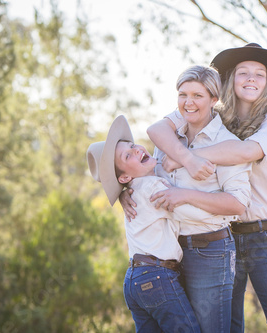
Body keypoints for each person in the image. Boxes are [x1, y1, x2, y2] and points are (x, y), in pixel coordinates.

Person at [145, 43, 267, 332]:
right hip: (221, 239)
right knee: (229, 326)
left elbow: (243, 153)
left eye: (259, 74)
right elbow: (157, 130)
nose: (251, 78)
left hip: (265, 236)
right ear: (230, 80)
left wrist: (185, 159)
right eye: (243, 72)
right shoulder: (211, 112)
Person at [121, 65, 253, 332]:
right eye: (183, 95)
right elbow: (146, 175)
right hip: (170, 257)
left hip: (210, 252)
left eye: (197, 96)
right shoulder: (169, 139)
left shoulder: (226, 144)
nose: (188, 103)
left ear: (214, 100)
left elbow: (238, 204)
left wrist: (185, 195)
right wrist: (125, 192)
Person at [86, 115, 201, 333]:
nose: (137, 150)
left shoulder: (136, 189)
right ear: (123, 178)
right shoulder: (152, 187)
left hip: (134, 281)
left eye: (132, 146)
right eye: (127, 155)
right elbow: (191, 215)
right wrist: (225, 210)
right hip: (157, 277)